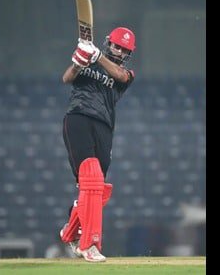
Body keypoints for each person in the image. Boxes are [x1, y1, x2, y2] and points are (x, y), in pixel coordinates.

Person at [58, 27, 137, 262]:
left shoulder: (125, 74)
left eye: (124, 50)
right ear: (108, 43)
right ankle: (89, 244)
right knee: (91, 177)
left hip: (104, 127)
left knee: (97, 189)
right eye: (116, 46)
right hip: (78, 117)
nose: (119, 51)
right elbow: (67, 78)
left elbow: (121, 77)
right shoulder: (88, 62)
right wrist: (78, 61)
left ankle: (70, 231)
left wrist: (97, 56)